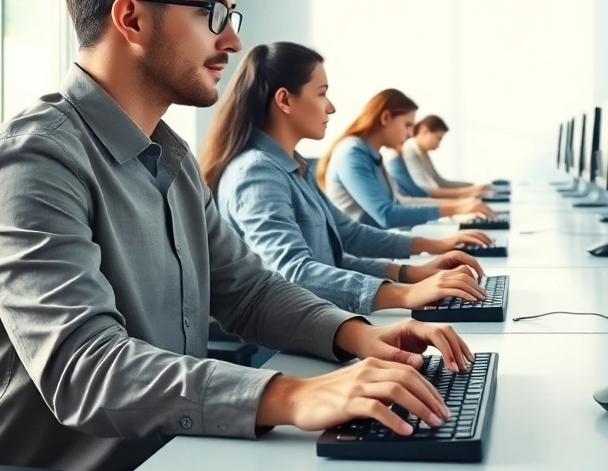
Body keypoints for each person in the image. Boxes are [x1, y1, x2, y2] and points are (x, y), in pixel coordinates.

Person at [0, 0, 473, 471]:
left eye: (230, 15)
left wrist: (358, 335)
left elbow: (247, 291)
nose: (232, 39)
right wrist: (294, 395)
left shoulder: (171, 158)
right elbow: (87, 370)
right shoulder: (31, 163)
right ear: (130, 18)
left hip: (175, 457)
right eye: (212, 13)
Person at [201, 42, 493, 315]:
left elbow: (344, 241)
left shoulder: (295, 166)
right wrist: (405, 294)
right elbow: (294, 273)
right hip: (288, 341)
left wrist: (411, 273)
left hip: (323, 318)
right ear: (285, 100)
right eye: (321, 93)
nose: (331, 107)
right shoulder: (256, 173)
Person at [317, 90, 497, 229]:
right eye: (407, 125)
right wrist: (457, 207)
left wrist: (461, 204)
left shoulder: (373, 154)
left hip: (379, 248)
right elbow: (386, 215)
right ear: (386, 118)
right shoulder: (352, 154)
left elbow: (400, 202)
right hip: (359, 258)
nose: (411, 134)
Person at [387, 114, 489, 197]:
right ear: (424, 131)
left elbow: (438, 181)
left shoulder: (423, 152)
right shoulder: (408, 150)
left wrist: (472, 186)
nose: (439, 144)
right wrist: (469, 191)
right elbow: (425, 189)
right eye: (438, 138)